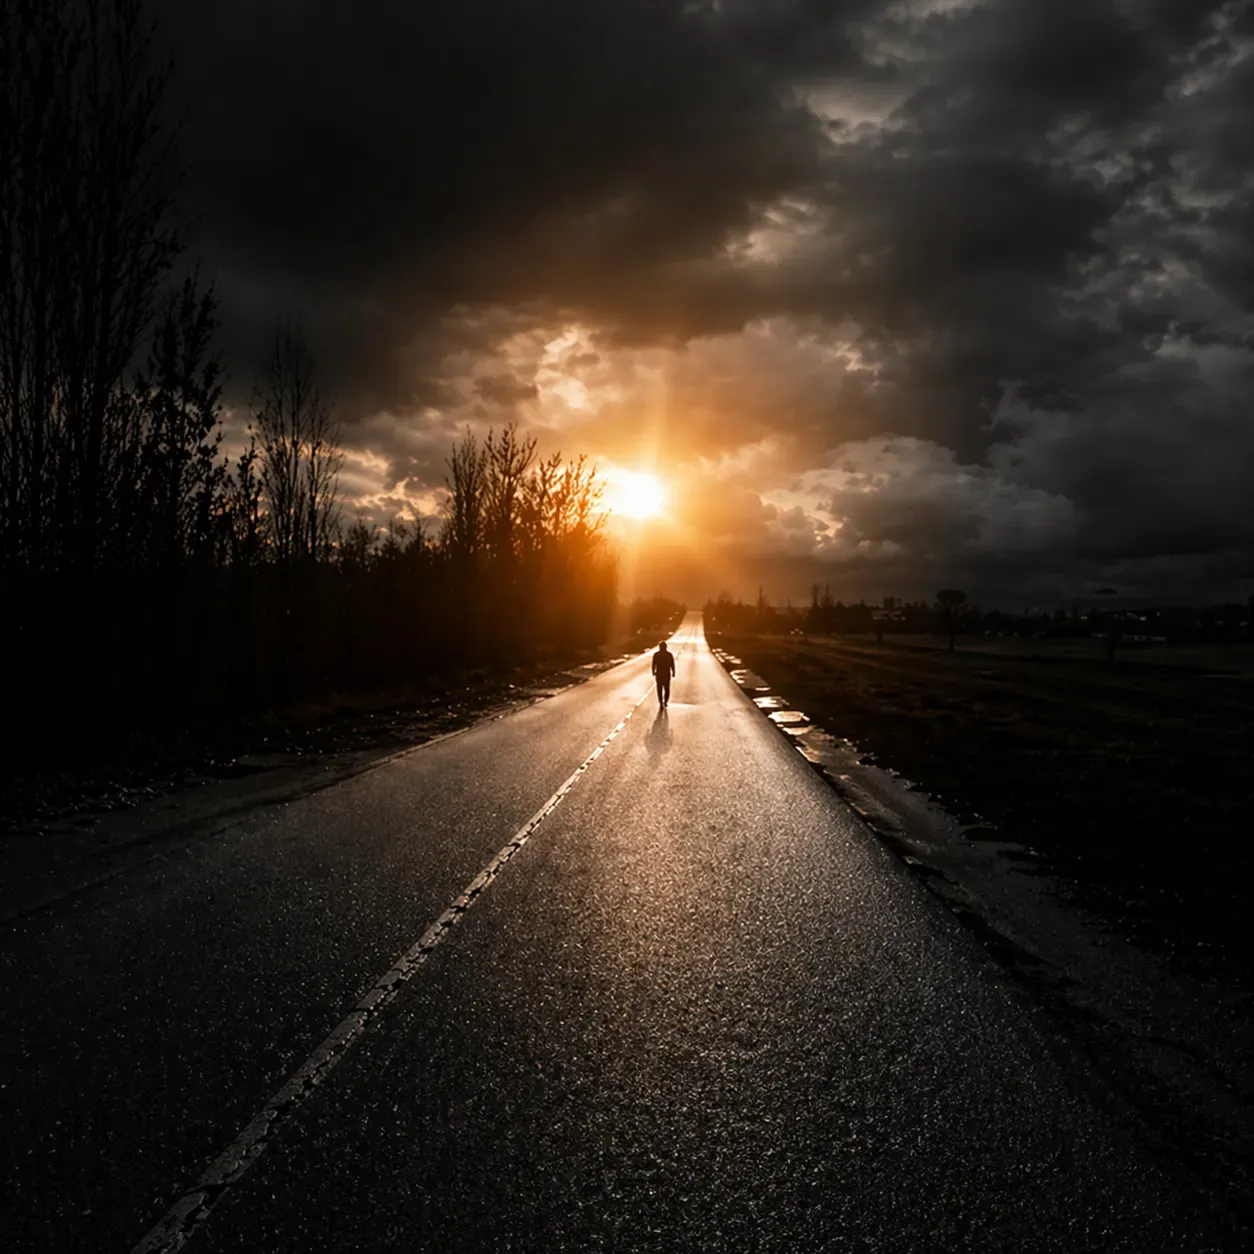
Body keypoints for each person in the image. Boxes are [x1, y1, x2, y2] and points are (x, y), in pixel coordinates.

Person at [651, 639, 676, 707]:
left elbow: (653, 664)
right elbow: (672, 664)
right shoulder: (669, 655)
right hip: (666, 673)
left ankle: (661, 702)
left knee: (660, 689)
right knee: (666, 688)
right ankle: (664, 701)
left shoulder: (656, 655)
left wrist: (653, 671)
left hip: (659, 673)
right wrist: (673, 672)